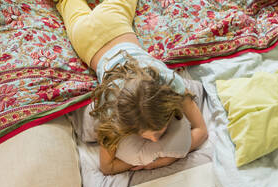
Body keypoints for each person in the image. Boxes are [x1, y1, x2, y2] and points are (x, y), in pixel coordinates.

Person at [56, 0, 208, 175]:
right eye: (146, 134)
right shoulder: (112, 112)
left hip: (112, 23)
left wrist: (163, 159)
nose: (153, 140)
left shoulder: (171, 83)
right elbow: (107, 167)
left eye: (157, 133)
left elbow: (202, 131)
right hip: (89, 38)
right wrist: (156, 161)